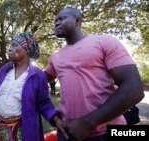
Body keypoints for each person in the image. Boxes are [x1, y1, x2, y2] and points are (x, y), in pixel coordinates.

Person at [45, 7, 145, 141]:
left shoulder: (104, 41)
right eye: (55, 21)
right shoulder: (56, 56)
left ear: (77, 21)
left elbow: (134, 89)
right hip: (67, 132)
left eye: (61, 19)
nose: (56, 23)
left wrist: (87, 123)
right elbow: (39, 79)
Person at [0, 32, 66, 141]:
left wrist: (56, 118)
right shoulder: (4, 70)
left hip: (21, 130)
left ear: (26, 50)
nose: (10, 49)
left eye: (14, 45)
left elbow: (44, 102)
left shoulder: (37, 75)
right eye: (10, 45)